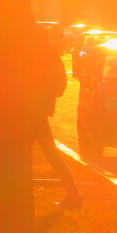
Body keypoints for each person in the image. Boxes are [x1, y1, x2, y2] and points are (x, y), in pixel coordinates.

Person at [28, 24, 82, 210]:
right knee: (49, 151)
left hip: (32, 111)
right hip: (38, 110)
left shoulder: (39, 56)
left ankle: (74, 194)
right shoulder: (49, 55)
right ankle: (73, 194)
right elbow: (59, 86)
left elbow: (57, 86)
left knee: (43, 151)